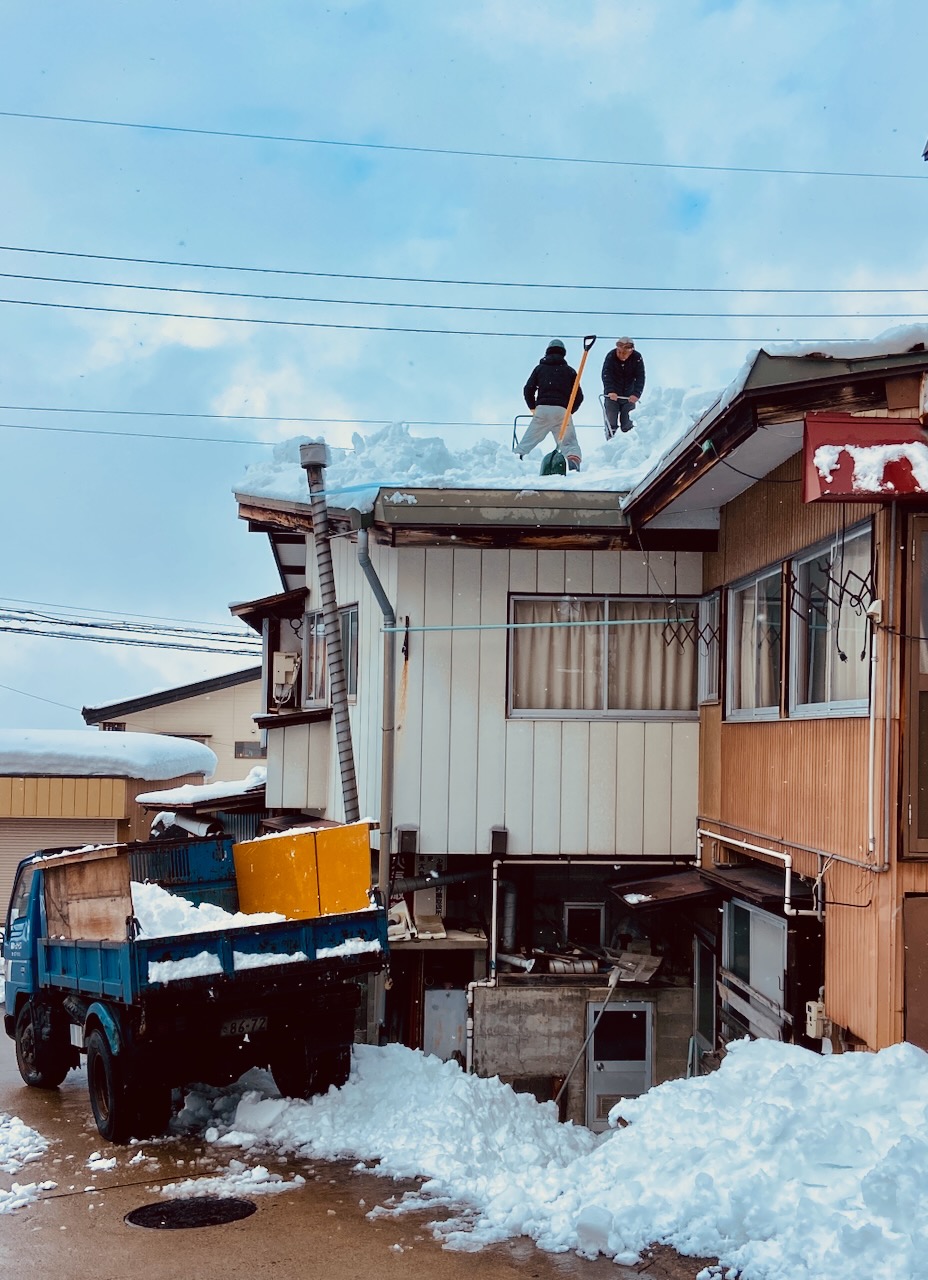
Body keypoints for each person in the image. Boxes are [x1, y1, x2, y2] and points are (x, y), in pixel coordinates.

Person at [517, 338, 584, 472]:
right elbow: (579, 396)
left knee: (528, 441)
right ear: (563, 353)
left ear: (547, 352)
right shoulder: (569, 371)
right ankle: (573, 463)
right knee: (570, 443)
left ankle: (516, 460)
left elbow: (528, 389)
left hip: (542, 409)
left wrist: (533, 407)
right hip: (562, 411)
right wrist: (569, 411)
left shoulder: (540, 369)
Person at [602, 337, 645, 437]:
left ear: (631, 352)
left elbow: (640, 377)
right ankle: (611, 442)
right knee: (611, 422)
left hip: (629, 397)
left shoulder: (637, 358)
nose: (622, 355)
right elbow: (606, 374)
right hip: (612, 396)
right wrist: (610, 391)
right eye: (619, 352)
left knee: (628, 424)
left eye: (625, 353)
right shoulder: (611, 356)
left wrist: (636, 394)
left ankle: (629, 446)